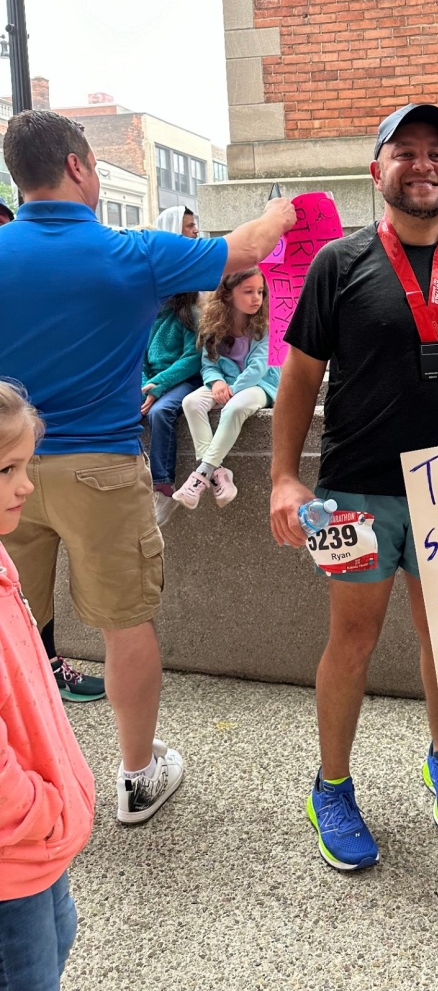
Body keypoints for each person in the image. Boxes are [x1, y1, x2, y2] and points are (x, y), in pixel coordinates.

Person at [0, 109, 296, 825]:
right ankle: (135, 778)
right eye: (96, 165)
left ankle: (23, 779)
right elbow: (247, 247)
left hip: (6, 470)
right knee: (125, 627)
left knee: (11, 629)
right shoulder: (131, 251)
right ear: (77, 167)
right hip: (100, 467)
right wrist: (280, 211)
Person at [270, 103, 438, 871]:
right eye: (405, 152)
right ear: (378, 172)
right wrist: (281, 476)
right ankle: (330, 785)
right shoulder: (339, 262)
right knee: (353, 640)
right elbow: (299, 375)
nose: (423, 164)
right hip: (353, 490)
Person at [0, 381, 95, 991]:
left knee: (58, 940)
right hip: (14, 851)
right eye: (8, 468)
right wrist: (36, 809)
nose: (28, 485)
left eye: (26, 464)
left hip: (38, 836)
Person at [173, 269, 278, 509]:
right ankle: (220, 474)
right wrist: (217, 382)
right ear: (228, 295)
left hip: (259, 385)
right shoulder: (214, 324)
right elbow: (208, 363)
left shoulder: (265, 325)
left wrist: (231, 390)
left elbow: (258, 368)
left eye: (260, 292)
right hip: (226, 384)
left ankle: (201, 474)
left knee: (234, 407)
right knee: (191, 402)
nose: (256, 298)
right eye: (248, 292)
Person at [142, 289, 203, 526]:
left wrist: (160, 385)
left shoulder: (190, 313)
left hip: (184, 380)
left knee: (160, 412)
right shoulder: (146, 315)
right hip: (153, 382)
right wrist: (146, 386)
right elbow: (139, 359)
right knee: (123, 412)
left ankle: (164, 487)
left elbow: (193, 358)